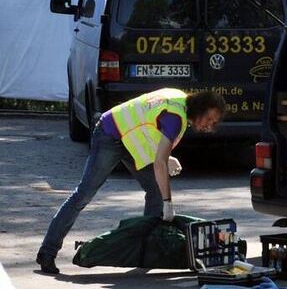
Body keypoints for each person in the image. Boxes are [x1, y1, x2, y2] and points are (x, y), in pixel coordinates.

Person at [36, 88, 226, 274]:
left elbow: (146, 124)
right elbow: (159, 163)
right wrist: (168, 202)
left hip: (131, 140)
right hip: (109, 134)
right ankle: (47, 252)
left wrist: (165, 156)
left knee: (155, 191)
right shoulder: (176, 117)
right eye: (209, 119)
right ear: (200, 107)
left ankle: (146, 251)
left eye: (214, 123)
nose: (209, 125)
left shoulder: (179, 99)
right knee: (83, 194)